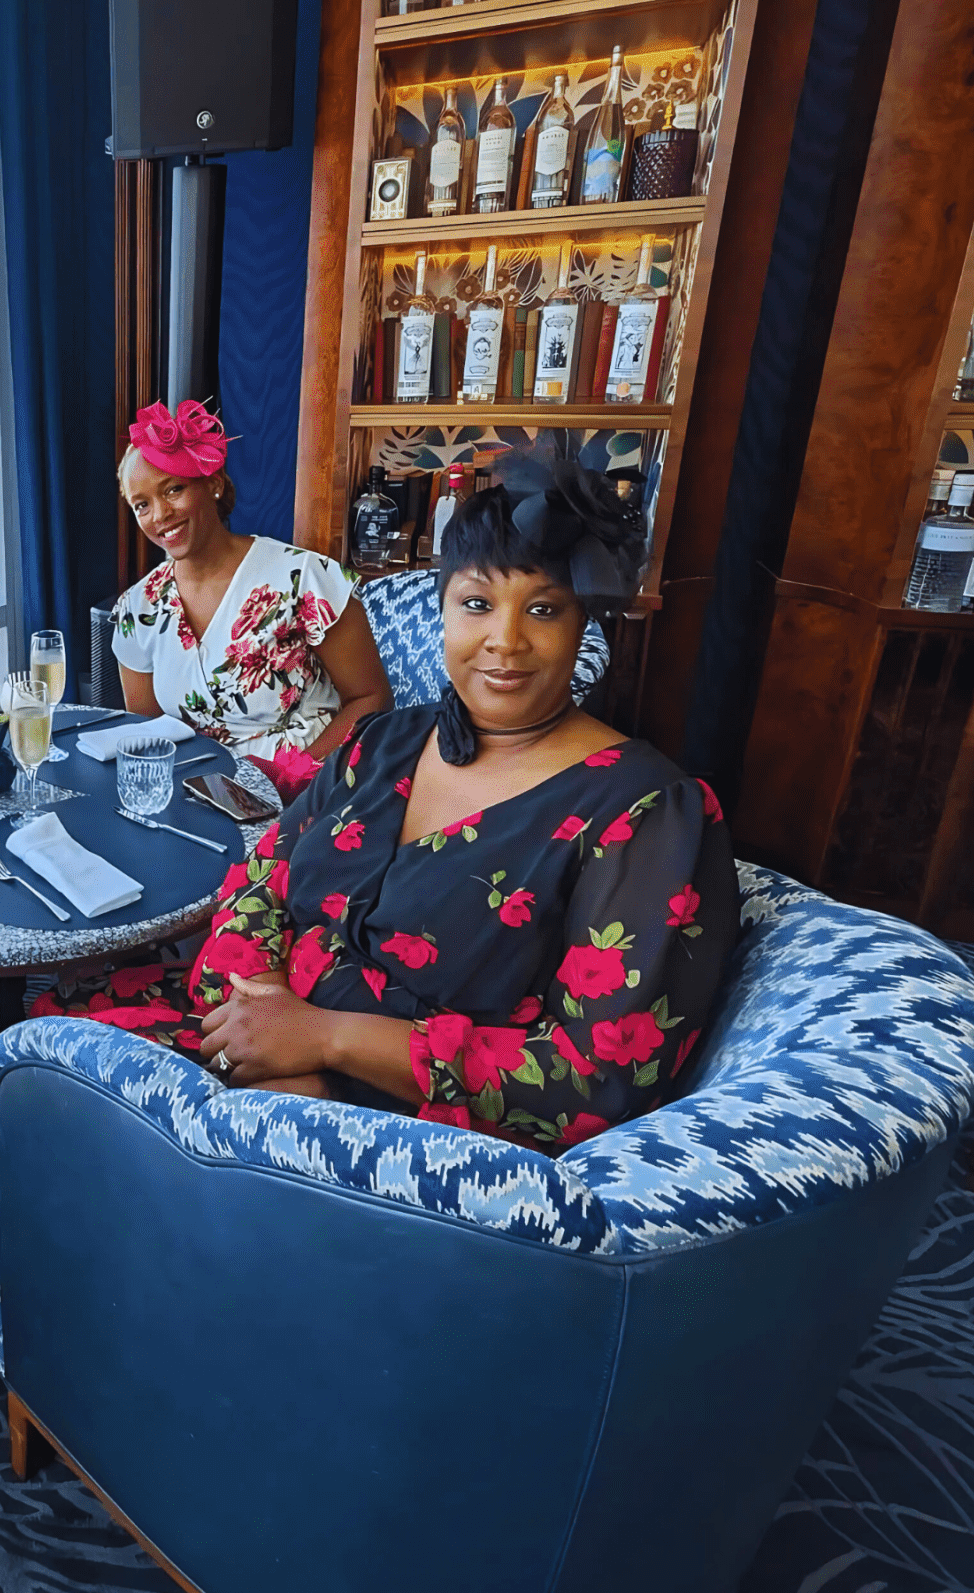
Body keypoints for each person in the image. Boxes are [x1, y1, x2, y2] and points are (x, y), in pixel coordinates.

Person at [37, 454, 739, 1153]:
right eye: (476, 604)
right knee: (43, 1044)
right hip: (256, 1049)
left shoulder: (645, 811)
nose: (505, 641)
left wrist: (325, 1044)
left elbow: (595, 1079)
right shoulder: (387, 742)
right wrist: (260, 1016)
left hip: (406, 1148)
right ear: (443, 611)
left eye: (544, 609)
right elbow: (261, 877)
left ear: (583, 621)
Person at [113, 399, 392, 799]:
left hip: (311, 790)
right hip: (200, 796)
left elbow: (372, 699)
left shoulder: (303, 578)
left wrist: (293, 780)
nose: (159, 515)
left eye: (173, 489)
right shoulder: (137, 609)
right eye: (142, 505)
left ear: (213, 484)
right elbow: (149, 733)